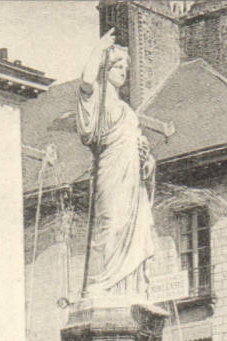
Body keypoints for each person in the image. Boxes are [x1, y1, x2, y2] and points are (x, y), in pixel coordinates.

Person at [76, 29, 156, 303]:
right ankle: (101, 283)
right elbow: (86, 80)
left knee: (132, 226)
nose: (122, 72)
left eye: (125, 67)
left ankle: (127, 287)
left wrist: (148, 160)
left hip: (133, 179)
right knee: (110, 223)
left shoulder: (129, 112)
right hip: (110, 172)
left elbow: (140, 144)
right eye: (117, 66)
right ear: (105, 68)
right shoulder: (96, 98)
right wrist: (99, 49)